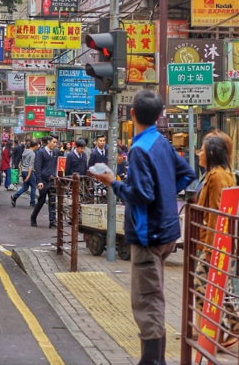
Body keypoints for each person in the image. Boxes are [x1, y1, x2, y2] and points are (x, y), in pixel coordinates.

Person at [91, 90, 196, 364]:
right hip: (168, 232)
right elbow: (187, 173)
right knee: (154, 294)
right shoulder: (161, 142)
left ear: (132, 113)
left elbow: (141, 194)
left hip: (149, 235)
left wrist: (112, 182)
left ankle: (152, 360)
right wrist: (165, 194)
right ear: (160, 115)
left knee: (146, 299)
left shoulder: (139, 149)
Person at [31, 136, 59, 228]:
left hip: (52, 180)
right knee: (41, 201)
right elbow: (37, 167)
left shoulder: (55, 152)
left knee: (52, 201)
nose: (55, 144)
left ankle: (52, 221)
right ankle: (33, 217)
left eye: (56, 142)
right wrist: (39, 181)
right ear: (48, 142)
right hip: (43, 180)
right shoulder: (41, 152)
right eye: (54, 142)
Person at [12, 140, 38, 207]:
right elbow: (31, 165)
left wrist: (21, 170)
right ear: (35, 146)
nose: (37, 147)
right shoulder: (32, 153)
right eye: (37, 146)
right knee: (33, 186)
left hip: (23, 170)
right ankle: (32, 202)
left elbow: (21, 162)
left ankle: (15, 196)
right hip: (28, 171)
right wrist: (29, 175)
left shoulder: (25, 151)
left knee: (25, 187)